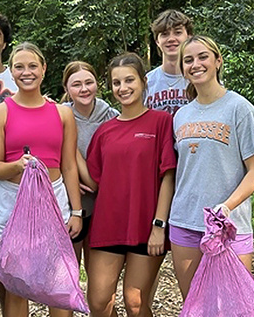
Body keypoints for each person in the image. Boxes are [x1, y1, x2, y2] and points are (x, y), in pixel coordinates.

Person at [0, 42, 83, 317]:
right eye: (19, 67)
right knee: (17, 284)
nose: (27, 72)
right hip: (12, 201)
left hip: (54, 198)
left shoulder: (62, 113)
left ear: (43, 68)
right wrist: (17, 165)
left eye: (32, 66)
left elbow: (69, 165)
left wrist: (76, 211)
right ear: (11, 73)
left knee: (57, 281)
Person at [169, 35, 254, 299]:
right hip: (185, 222)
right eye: (188, 60)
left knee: (233, 305)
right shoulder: (181, 115)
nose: (195, 64)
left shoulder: (240, 108)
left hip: (229, 225)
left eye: (203, 57)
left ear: (218, 62)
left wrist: (226, 207)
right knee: (194, 304)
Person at [84, 53, 176, 317]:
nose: (122, 88)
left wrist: (159, 226)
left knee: (135, 302)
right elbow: (95, 180)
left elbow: (167, 176)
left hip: (146, 225)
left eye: (129, 80)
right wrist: (69, 159)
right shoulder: (105, 131)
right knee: (99, 302)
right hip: (108, 224)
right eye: (116, 83)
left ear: (143, 81)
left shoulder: (161, 122)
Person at [60, 61, 120, 276]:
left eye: (89, 82)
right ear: (66, 87)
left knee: (98, 279)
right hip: (69, 203)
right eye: (76, 84)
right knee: (69, 274)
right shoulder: (58, 115)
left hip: (102, 202)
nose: (84, 89)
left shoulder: (112, 116)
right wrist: (70, 179)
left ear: (97, 84)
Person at [145, 9, 193, 115]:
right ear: (157, 41)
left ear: (189, 37)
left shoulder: (200, 78)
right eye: (165, 34)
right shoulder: (147, 82)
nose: (171, 39)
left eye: (178, 33)